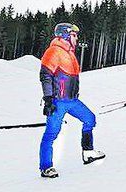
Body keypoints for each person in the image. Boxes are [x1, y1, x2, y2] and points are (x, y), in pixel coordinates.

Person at [39, 23, 105, 178]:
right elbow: (45, 76)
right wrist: (48, 100)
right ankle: (46, 167)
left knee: (90, 119)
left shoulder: (70, 53)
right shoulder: (54, 51)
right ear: (65, 35)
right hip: (58, 102)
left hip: (72, 101)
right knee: (52, 133)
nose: (76, 38)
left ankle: (88, 152)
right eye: (74, 35)